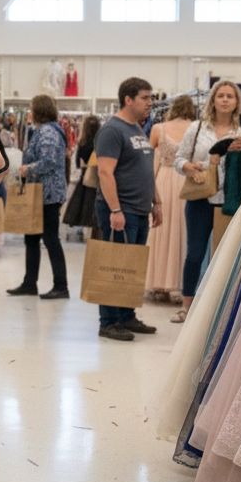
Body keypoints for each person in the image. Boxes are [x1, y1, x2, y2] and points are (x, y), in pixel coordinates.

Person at [173, 80, 241, 321]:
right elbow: (178, 159)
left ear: (236, 102)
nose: (225, 100)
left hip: (230, 199)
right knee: (195, 253)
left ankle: (218, 308)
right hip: (200, 196)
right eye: (220, 95)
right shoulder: (197, 128)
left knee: (224, 255)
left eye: (230, 96)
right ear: (213, 100)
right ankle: (186, 305)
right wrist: (189, 166)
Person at [95, 77, 162, 341]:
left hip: (139, 209)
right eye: (145, 98)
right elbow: (105, 172)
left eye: (151, 97)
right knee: (115, 266)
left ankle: (126, 315)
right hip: (121, 210)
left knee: (131, 267)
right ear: (128, 99)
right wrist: (115, 210)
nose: (150, 103)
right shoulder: (112, 130)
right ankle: (108, 321)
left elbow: (144, 170)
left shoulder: (137, 129)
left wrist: (157, 202)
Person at [6, 93, 68, 299]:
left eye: (32, 108)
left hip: (48, 194)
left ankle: (61, 286)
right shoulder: (43, 130)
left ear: (39, 110)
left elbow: (49, 161)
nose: (29, 112)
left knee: (50, 239)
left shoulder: (48, 132)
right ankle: (29, 283)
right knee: (31, 238)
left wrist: (28, 169)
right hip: (41, 193)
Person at [146, 95, 196, 308]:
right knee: (183, 231)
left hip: (164, 180)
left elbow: (149, 159)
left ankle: (158, 283)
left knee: (161, 231)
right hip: (186, 180)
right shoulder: (196, 127)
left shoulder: (158, 129)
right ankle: (180, 284)